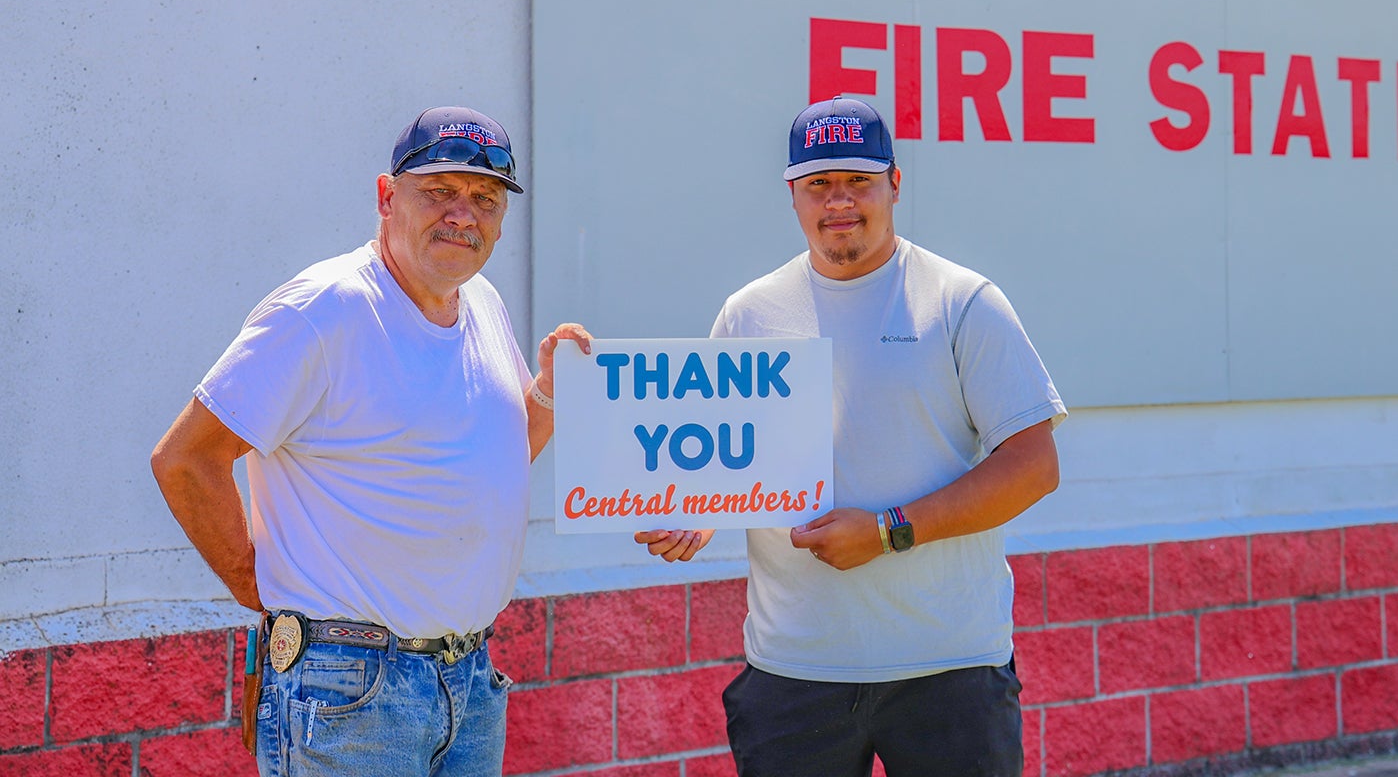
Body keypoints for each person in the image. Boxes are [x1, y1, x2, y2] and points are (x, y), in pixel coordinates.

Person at [150, 106, 591, 777]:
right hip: (348, 690)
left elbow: (483, 465)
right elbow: (186, 459)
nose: (462, 214)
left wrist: (549, 395)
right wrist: (257, 583)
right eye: (439, 190)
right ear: (388, 197)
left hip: (468, 682)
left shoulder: (483, 305)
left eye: (484, 198)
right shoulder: (323, 310)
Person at [637, 95, 1066, 777]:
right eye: (818, 184)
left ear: (895, 184)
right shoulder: (748, 315)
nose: (839, 201)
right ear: (793, 193)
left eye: (858, 181)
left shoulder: (961, 302)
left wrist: (891, 529)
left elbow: (1034, 465)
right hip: (793, 673)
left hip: (949, 669)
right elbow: (721, 470)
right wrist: (689, 515)